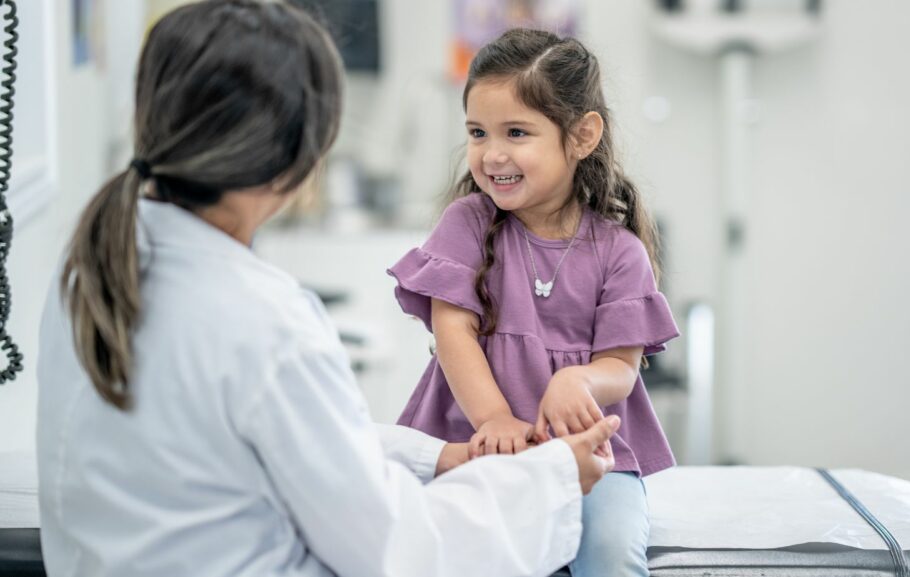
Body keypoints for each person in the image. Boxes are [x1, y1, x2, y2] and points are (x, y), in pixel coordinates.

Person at [35, 3, 621, 577]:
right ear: (302, 152)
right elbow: (396, 550)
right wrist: (548, 481)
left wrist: (441, 457)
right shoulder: (265, 321)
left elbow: (298, 446)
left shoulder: (95, 268)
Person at [387, 28, 680, 577]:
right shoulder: (467, 223)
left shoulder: (620, 251)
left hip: (591, 455)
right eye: (477, 132)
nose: (492, 153)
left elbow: (621, 365)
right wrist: (495, 418)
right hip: (474, 437)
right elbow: (453, 332)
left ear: (582, 135)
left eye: (516, 132)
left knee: (611, 553)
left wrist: (581, 380)